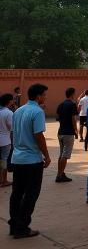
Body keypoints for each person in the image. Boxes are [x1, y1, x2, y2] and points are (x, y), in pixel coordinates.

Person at [8, 83, 51, 239]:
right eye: (44, 95)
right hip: (32, 159)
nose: (45, 97)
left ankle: (14, 224)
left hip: (18, 158)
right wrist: (46, 155)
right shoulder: (37, 112)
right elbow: (39, 136)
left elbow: (13, 133)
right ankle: (22, 226)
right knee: (31, 194)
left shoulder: (18, 111)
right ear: (39, 96)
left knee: (17, 193)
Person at [55, 87, 78, 183]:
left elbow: (57, 117)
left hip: (61, 131)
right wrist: (76, 130)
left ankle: (60, 173)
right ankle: (60, 176)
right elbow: (73, 118)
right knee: (65, 155)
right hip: (68, 133)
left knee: (61, 154)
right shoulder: (72, 105)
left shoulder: (61, 105)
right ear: (72, 94)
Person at [0, 93, 14, 187]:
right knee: (4, 160)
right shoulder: (9, 113)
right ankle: (4, 180)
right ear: (9, 101)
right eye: (12, 100)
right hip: (5, 140)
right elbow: (11, 127)